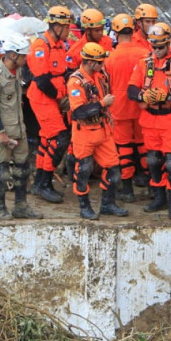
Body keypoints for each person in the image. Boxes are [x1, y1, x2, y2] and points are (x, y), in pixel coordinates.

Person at [129, 22, 171, 220]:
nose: (156, 50)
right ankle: (159, 198)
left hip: (170, 118)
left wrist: (167, 96)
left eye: (160, 47)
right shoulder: (144, 63)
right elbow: (131, 89)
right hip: (150, 118)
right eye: (153, 46)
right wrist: (143, 96)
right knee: (152, 160)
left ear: (168, 44)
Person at [67, 42, 130, 220]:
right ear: (90, 62)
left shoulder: (100, 75)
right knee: (84, 170)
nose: (103, 65)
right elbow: (78, 112)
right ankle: (84, 207)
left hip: (102, 130)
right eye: (100, 62)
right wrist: (103, 104)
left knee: (113, 169)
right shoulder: (76, 81)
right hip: (84, 132)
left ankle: (107, 204)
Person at [0, 37, 42, 220]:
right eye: (23, 56)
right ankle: (1, 209)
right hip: (2, 132)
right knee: (2, 172)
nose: (26, 59)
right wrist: (1, 132)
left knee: (22, 169)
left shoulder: (17, 72)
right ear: (13, 55)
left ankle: (20, 206)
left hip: (18, 129)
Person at [29, 5, 75, 203]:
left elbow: (63, 72)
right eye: (67, 27)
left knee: (47, 139)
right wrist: (58, 97)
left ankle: (39, 182)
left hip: (55, 97)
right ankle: (45, 183)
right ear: (57, 26)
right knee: (59, 139)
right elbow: (42, 81)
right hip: (43, 97)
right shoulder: (41, 46)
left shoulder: (60, 45)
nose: (69, 31)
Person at [104, 13, 146, 201]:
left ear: (115, 32)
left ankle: (127, 190)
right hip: (141, 106)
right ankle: (151, 186)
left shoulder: (111, 58)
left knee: (124, 148)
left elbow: (106, 85)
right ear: (134, 29)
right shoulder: (145, 54)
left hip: (119, 108)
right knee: (144, 146)